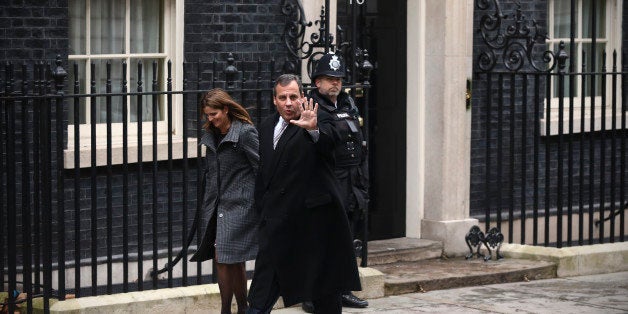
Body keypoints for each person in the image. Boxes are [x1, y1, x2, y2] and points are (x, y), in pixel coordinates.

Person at [246, 74, 361, 314]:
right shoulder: (266, 126)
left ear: (302, 97)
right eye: (282, 97)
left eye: (293, 97)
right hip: (277, 228)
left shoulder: (320, 119)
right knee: (258, 300)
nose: (288, 103)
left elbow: (331, 142)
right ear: (274, 100)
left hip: (313, 230)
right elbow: (264, 174)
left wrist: (314, 130)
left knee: (324, 298)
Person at [301, 53, 370, 312]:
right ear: (317, 82)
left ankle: (343, 288)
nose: (335, 84)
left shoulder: (348, 105)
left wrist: (363, 181)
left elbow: (360, 145)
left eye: (338, 79)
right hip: (328, 180)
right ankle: (312, 293)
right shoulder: (312, 107)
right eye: (330, 79)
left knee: (348, 236)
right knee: (322, 239)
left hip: (352, 179)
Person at [190, 88, 260, 314]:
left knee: (222, 256)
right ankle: (242, 308)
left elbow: (261, 168)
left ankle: (225, 310)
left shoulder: (245, 133)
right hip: (217, 204)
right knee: (233, 258)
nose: (210, 119)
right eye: (207, 115)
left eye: (214, 114)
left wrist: (255, 199)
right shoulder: (211, 134)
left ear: (226, 109)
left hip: (240, 204)